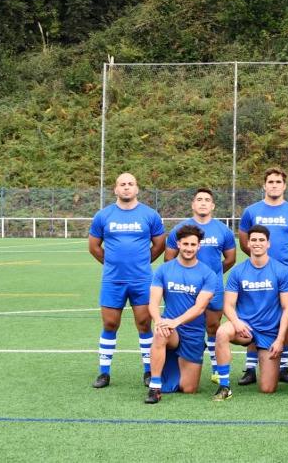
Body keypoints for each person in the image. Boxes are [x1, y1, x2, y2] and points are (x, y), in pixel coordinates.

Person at [88, 171, 166, 388]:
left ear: (137, 188)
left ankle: (149, 371)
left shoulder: (149, 215)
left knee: (143, 324)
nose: (126, 187)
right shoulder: (103, 216)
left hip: (141, 280)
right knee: (110, 323)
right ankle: (104, 372)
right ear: (115, 189)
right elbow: (94, 246)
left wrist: (141, 262)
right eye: (122, 184)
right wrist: (112, 263)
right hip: (113, 281)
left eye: (130, 183)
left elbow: (159, 244)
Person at [238, 167, 288, 384]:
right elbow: (243, 241)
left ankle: (283, 366)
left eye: (278, 182)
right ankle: (250, 368)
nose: (274, 185)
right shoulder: (251, 211)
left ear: (284, 186)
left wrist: (281, 265)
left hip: (284, 273)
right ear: (264, 185)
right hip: (256, 272)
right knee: (252, 316)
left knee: (283, 319)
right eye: (271, 181)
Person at [211, 225, 288, 400]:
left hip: (269, 331)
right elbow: (228, 305)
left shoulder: (281, 271)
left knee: (267, 388)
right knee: (221, 332)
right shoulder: (238, 272)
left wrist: (280, 340)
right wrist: (236, 322)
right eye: (254, 240)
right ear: (248, 243)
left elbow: (287, 308)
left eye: (261, 240)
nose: (257, 243)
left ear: (268, 244)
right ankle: (224, 385)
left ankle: (273, 365)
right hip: (245, 328)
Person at [144, 224, 220, 403]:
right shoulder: (164, 270)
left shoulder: (208, 274)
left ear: (199, 246)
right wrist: (158, 320)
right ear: (178, 244)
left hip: (193, 332)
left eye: (193, 245)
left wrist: (175, 322)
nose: (189, 248)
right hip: (172, 331)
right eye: (185, 244)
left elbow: (200, 308)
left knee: (189, 389)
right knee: (160, 332)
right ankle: (154, 387)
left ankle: (178, 363)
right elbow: (153, 302)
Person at [165, 187, 235, 376]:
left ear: (212, 205)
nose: (203, 202)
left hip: (214, 288)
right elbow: (169, 259)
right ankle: (181, 365)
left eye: (207, 200)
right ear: (193, 204)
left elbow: (230, 259)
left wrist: (212, 278)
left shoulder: (223, 230)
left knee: (213, 326)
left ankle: (214, 368)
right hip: (185, 288)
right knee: (185, 324)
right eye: (199, 199)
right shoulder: (179, 229)